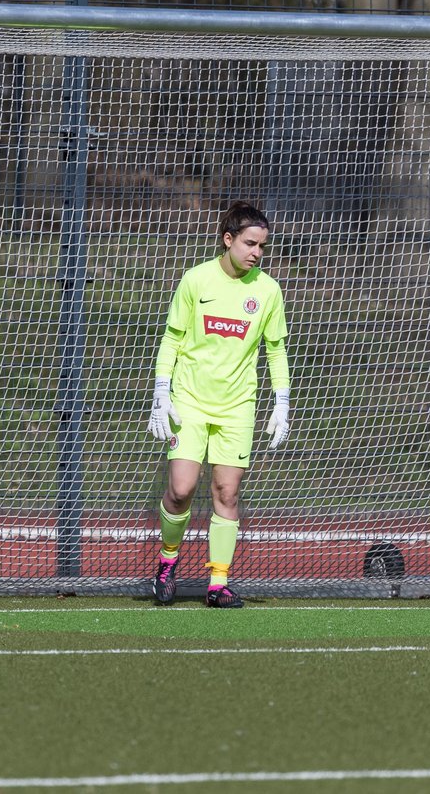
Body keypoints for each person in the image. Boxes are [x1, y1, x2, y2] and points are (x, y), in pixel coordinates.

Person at [146, 201, 291, 608]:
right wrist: (161, 393)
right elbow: (172, 339)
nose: (256, 253)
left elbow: (275, 351)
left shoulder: (268, 290)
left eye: (262, 246)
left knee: (227, 492)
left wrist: (282, 402)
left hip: (237, 406)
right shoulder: (196, 280)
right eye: (249, 243)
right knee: (181, 490)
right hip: (189, 400)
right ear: (228, 240)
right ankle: (168, 562)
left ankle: (218, 582)